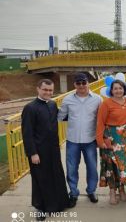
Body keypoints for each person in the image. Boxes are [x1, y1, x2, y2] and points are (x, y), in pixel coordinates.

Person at [21, 79, 69, 221]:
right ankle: (40, 207)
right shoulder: (30, 108)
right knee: (40, 179)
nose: (48, 93)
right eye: (45, 90)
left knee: (56, 175)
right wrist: (33, 153)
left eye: (50, 90)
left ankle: (58, 204)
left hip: (53, 149)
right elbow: (27, 133)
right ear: (38, 89)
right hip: (39, 151)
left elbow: (62, 118)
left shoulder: (53, 104)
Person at [58, 73, 102, 207]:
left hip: (90, 140)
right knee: (71, 168)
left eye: (84, 82)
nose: (81, 85)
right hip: (72, 140)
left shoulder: (97, 99)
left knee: (92, 168)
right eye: (78, 83)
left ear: (88, 83)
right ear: (75, 85)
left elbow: (101, 119)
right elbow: (60, 116)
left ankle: (91, 191)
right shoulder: (67, 100)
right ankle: (73, 193)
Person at [96, 80, 126, 205]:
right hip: (111, 138)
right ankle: (112, 191)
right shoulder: (106, 104)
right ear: (111, 90)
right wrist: (100, 141)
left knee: (124, 166)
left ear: (124, 90)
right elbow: (100, 122)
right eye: (115, 88)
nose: (118, 91)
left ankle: (121, 189)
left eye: (120, 88)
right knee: (111, 166)